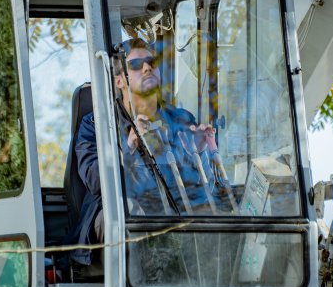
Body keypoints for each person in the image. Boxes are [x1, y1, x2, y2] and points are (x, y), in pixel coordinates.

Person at [68, 38, 220, 267]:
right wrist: (129, 147)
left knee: (214, 210)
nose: (147, 67)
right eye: (136, 65)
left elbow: (201, 186)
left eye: (152, 62)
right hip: (117, 216)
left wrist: (199, 152)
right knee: (131, 212)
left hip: (172, 211)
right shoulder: (96, 125)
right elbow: (96, 181)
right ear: (119, 80)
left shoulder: (181, 119)